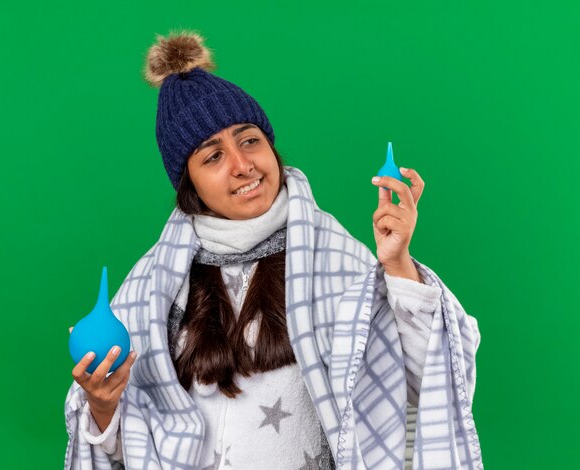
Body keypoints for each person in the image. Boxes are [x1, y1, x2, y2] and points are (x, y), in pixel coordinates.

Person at [64, 31, 482, 470]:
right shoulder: (153, 287)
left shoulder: (334, 259)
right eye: (212, 156)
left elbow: (431, 381)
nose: (242, 164)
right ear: (189, 184)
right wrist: (104, 407)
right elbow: (132, 448)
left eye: (249, 140)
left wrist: (398, 266)